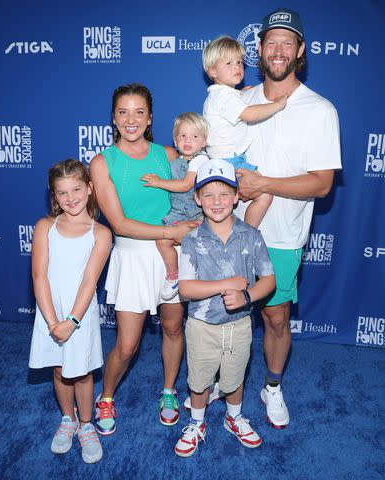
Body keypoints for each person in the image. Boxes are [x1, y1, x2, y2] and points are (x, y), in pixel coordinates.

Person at [236, 8, 342, 429]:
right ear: (259, 49)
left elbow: (321, 184)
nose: (278, 50)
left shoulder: (319, 110)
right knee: (219, 318)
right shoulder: (238, 101)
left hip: (280, 237)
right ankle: (215, 392)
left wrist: (264, 183)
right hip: (227, 233)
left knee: (275, 317)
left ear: (299, 50)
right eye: (271, 41)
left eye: (287, 42)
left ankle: (273, 387)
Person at [89, 83, 195, 435]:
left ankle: (168, 391)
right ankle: (106, 395)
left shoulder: (169, 155)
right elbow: (119, 224)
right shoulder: (102, 163)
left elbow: (202, 184)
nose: (131, 120)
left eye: (138, 112)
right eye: (123, 112)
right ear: (113, 118)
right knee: (128, 343)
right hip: (134, 257)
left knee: (173, 327)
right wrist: (171, 234)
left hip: (172, 255)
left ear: (150, 118)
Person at [174, 159, 275, 457]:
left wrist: (246, 296)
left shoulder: (251, 235)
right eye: (207, 194)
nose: (216, 201)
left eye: (224, 193)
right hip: (201, 326)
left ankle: (234, 417)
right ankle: (196, 423)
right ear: (196, 199)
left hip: (239, 325)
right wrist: (227, 284)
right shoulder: (191, 239)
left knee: (234, 378)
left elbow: (268, 279)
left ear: (236, 196)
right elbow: (186, 288)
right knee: (199, 379)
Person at [28, 159, 112, 464]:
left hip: (80, 314)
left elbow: (90, 280)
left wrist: (71, 322)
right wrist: (53, 322)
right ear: (54, 195)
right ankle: (68, 419)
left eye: (76, 189)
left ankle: (86, 424)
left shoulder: (101, 233)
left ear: (89, 189)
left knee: (82, 371)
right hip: (50, 311)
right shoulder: (44, 227)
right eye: (62, 193)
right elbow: (39, 276)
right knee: (60, 369)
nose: (71, 197)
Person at [202, 35, 287, 228]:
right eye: (229, 63)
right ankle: (247, 235)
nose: (237, 67)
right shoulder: (224, 97)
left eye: (239, 62)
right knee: (264, 194)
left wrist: (240, 93)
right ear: (213, 71)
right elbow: (249, 114)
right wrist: (278, 104)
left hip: (223, 160)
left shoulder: (222, 94)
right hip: (230, 161)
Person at [141, 112, 209, 301]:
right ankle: (173, 276)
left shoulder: (200, 160)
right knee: (162, 241)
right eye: (183, 136)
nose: (188, 141)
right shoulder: (176, 162)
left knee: (197, 248)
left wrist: (158, 182)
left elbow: (186, 185)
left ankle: (196, 276)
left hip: (195, 216)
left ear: (204, 142)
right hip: (177, 214)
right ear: (175, 140)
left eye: (195, 137)